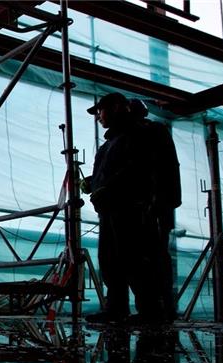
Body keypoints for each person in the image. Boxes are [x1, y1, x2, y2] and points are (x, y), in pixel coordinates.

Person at [83, 92, 163, 324]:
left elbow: (137, 169)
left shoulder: (137, 135)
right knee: (111, 260)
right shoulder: (110, 144)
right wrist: (92, 182)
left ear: (117, 107)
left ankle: (149, 311)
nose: (98, 116)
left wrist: (106, 187)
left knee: (134, 258)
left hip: (129, 207)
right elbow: (110, 173)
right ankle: (116, 308)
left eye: (100, 111)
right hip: (109, 209)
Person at [129, 98, 181, 320]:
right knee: (156, 256)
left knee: (152, 257)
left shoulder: (148, 132)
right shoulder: (156, 131)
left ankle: (156, 308)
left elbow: (150, 169)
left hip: (155, 205)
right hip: (160, 203)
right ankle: (160, 308)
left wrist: (151, 201)